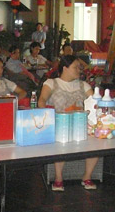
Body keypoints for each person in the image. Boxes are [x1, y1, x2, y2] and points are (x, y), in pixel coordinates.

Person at [38, 55, 99, 192]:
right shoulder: (51, 83)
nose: (79, 70)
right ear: (65, 68)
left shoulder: (83, 85)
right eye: (75, 67)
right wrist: (47, 116)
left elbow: (94, 102)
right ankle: (58, 178)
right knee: (61, 138)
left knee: (96, 140)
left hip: (81, 124)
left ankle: (87, 176)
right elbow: (42, 100)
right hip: (60, 123)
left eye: (79, 67)